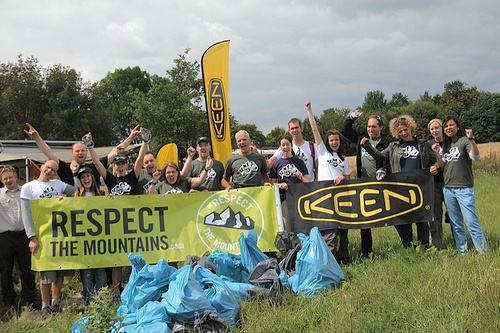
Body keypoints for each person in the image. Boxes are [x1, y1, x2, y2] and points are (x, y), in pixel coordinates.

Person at [361, 115, 438, 249]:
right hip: (401, 188)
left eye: (405, 129)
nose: (403, 133)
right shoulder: (393, 146)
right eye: (400, 131)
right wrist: (367, 145)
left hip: (420, 187)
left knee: (422, 220)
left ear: (411, 128)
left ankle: (424, 248)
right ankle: (408, 248)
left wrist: (435, 167)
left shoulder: (422, 144)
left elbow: (434, 160)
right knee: (403, 220)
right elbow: (379, 156)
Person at [87, 131, 148, 301]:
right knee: (117, 261)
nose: (120, 166)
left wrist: (144, 142)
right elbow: (98, 164)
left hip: (133, 223)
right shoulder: (110, 179)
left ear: (126, 166)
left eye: (122, 164)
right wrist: (90, 147)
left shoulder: (132, 177)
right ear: (113, 166)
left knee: (138, 259)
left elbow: (139, 160)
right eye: (117, 164)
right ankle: (116, 293)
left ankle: (140, 289)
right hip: (115, 225)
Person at [20, 160, 75, 316]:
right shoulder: (28, 187)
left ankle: (55, 303)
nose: (50, 170)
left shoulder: (59, 184)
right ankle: (45, 306)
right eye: (48, 167)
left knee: (59, 272)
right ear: (42, 167)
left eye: (54, 169)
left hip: (59, 234)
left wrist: (66, 199)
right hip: (42, 235)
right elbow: (26, 214)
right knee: (45, 272)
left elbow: (79, 192)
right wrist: (32, 237)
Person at [341, 111, 392, 258]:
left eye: (374, 127)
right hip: (364, 183)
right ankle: (366, 252)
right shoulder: (361, 139)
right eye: (369, 126)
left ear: (381, 127)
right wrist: (351, 118)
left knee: (392, 215)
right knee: (365, 219)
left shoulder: (387, 141)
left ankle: (406, 245)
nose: (370, 129)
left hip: (382, 182)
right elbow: (345, 130)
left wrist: (385, 169)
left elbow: (390, 160)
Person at [305, 100, 351, 264]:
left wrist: (342, 179)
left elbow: (348, 180)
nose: (334, 142)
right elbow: (314, 130)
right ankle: (327, 263)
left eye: (336, 140)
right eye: (331, 140)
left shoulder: (344, 160)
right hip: (324, 197)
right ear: (328, 141)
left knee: (343, 230)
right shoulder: (323, 152)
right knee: (329, 230)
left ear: (340, 141)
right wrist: (309, 111)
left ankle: (343, 260)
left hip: (340, 198)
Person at [23, 123, 140, 187]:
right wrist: (37, 138)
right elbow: (49, 153)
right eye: (77, 151)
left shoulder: (95, 167)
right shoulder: (65, 168)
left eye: (83, 150)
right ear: (72, 153)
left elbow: (115, 152)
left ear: (87, 152)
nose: (80, 153)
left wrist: (130, 138)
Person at [433, 116, 487, 254]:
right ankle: (463, 252)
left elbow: (476, 157)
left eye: (451, 125)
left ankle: (482, 251)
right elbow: (443, 166)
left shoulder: (464, 141)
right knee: (456, 224)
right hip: (448, 189)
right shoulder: (445, 145)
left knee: (471, 222)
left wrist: (471, 139)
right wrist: (436, 154)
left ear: (457, 127)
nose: (448, 128)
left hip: (464, 188)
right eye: (446, 126)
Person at [0, 165, 36, 310]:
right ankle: (9, 301)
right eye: (5, 178)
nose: (8, 180)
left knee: (27, 269)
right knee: (5, 270)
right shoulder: (0, 194)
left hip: (24, 235)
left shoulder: (26, 192)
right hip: (5, 237)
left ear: (16, 177)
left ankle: (29, 299)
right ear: (2, 181)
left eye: (10, 177)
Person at [72, 167, 107, 305]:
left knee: (101, 272)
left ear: (92, 177)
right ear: (80, 181)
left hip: (100, 240)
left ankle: (102, 302)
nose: (86, 179)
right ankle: (89, 303)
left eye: (88, 176)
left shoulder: (102, 193)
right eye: (83, 177)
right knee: (86, 273)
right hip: (84, 241)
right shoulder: (76, 195)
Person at [268, 136, 310, 232]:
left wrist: (301, 177)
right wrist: (280, 185)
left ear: (291, 145)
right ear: (280, 147)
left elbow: (308, 181)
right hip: (284, 198)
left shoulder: (299, 162)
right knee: (287, 223)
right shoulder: (276, 165)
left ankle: (301, 244)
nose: (285, 147)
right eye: (283, 145)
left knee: (300, 223)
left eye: (287, 144)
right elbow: (272, 185)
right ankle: (290, 245)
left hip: (299, 197)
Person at [427, 118, 446, 249]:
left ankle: (460, 243)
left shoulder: (450, 142)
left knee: (454, 216)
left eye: (437, 128)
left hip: (450, 182)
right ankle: (436, 245)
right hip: (434, 184)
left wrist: (436, 166)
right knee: (435, 217)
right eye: (432, 129)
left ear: (442, 128)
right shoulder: (427, 145)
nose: (435, 131)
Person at [148, 157, 213, 194]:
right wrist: (154, 181)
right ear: (164, 175)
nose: (171, 174)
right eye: (168, 172)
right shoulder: (160, 186)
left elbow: (200, 180)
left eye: (173, 172)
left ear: (178, 173)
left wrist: (206, 169)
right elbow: (149, 196)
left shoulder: (185, 182)